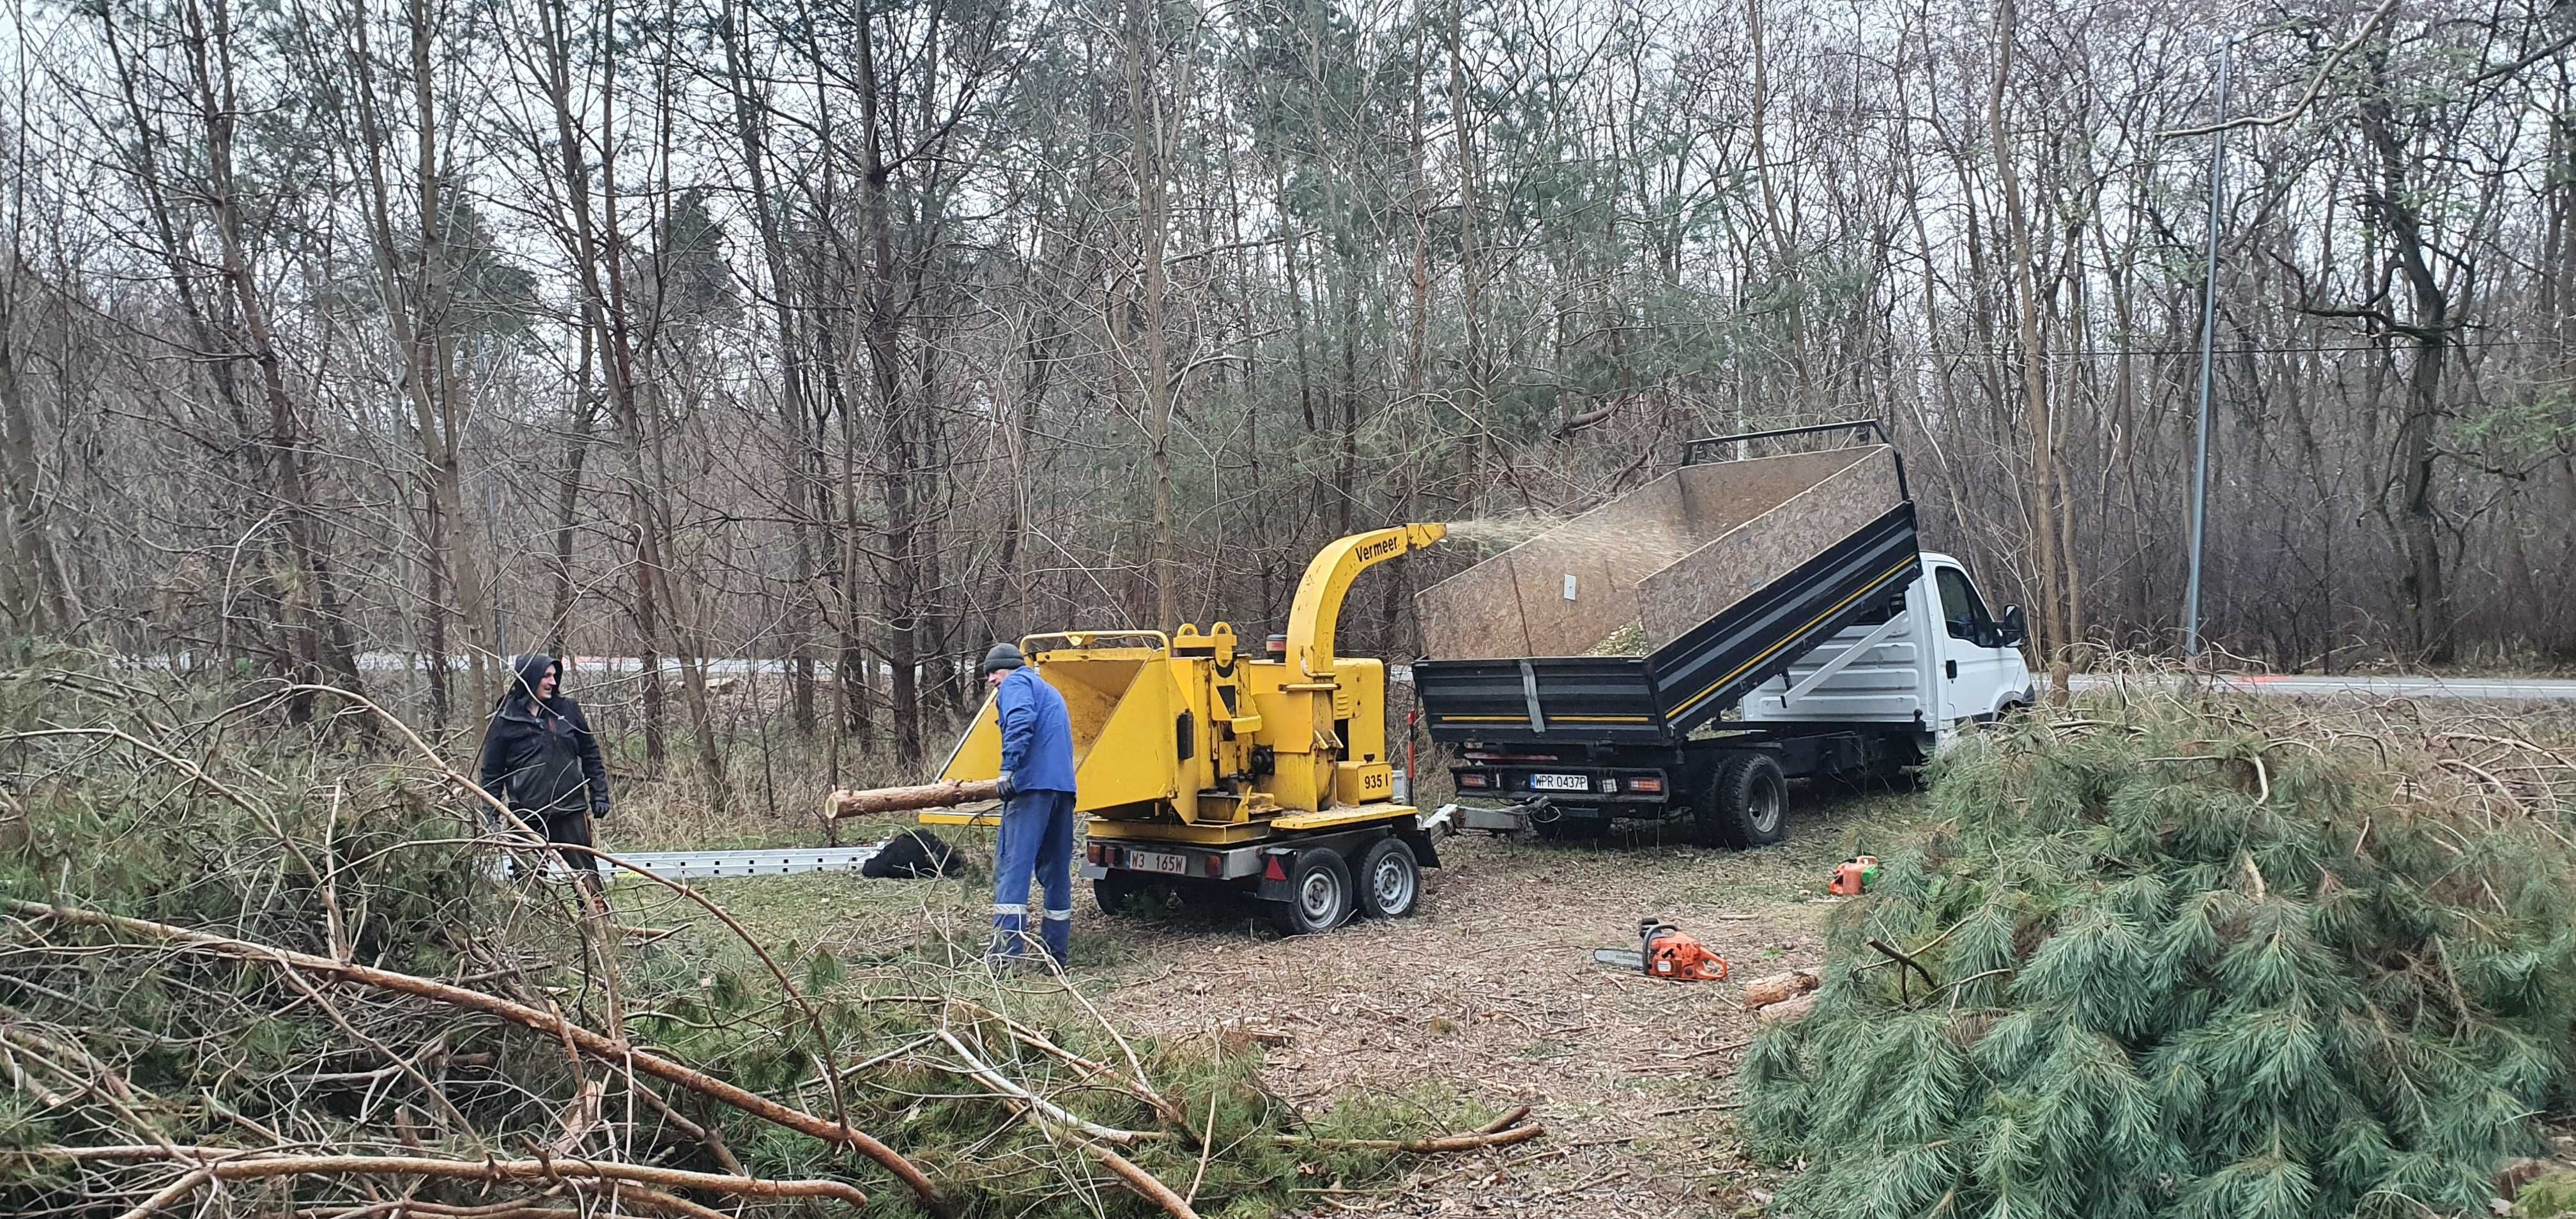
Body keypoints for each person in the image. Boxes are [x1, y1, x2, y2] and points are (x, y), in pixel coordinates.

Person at [475, 654, 613, 908]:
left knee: (588, 881)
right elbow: (492, 773)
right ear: (528, 678)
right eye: (546, 676)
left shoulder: (567, 710)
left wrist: (599, 794)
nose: (553, 682)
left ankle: (600, 932)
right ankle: (531, 938)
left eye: (554, 676)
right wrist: (490, 815)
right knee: (528, 887)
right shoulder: (505, 719)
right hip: (525, 816)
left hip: (570, 811)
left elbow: (590, 754)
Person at [983, 642, 1077, 967]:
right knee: (1056, 873)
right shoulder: (1048, 690)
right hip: (1062, 790)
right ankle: (1054, 955)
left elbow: (1021, 719)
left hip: (1032, 788)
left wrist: (1008, 768)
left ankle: (1005, 957)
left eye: (993, 672)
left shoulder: (1017, 684)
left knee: (1014, 868)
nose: (991, 680)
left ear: (1007, 669)